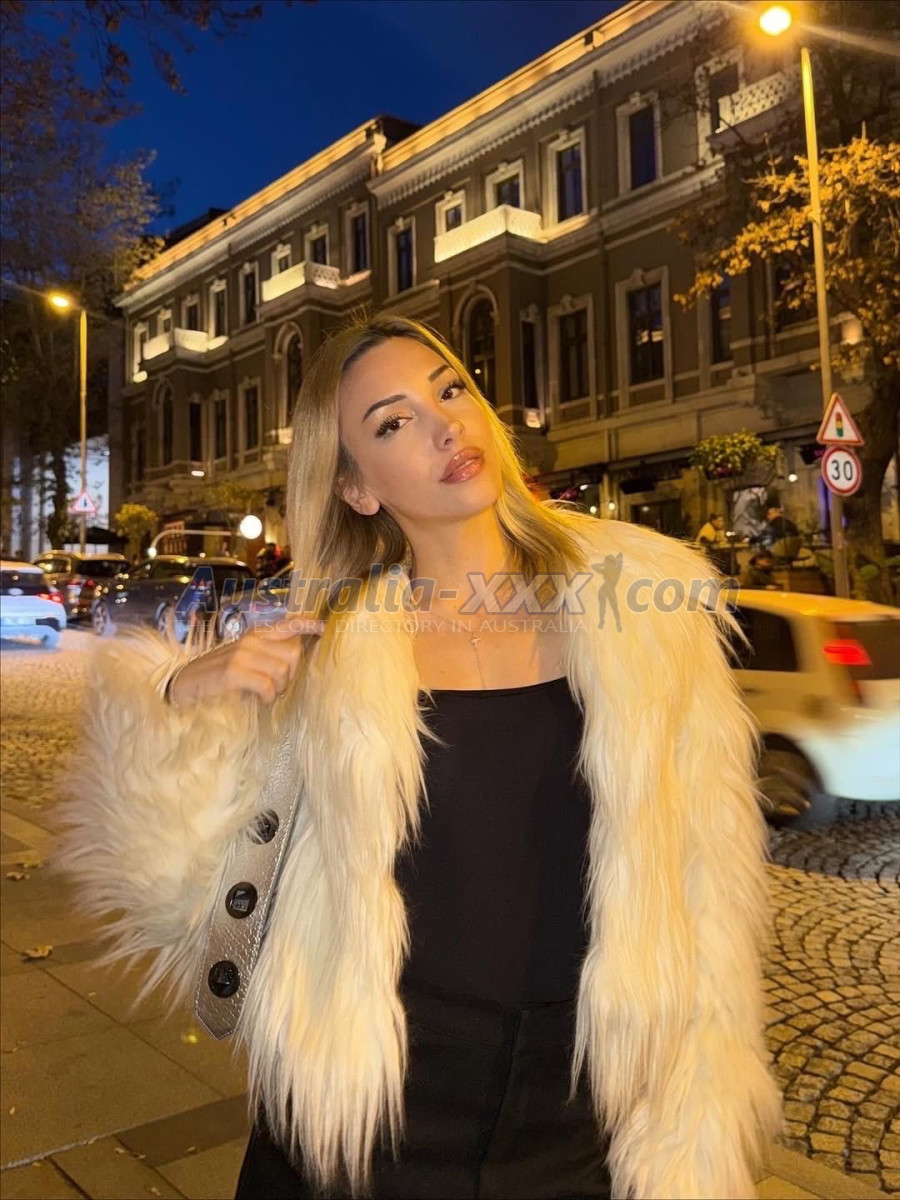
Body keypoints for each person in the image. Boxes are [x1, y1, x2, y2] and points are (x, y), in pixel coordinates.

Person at [56, 315, 780, 1200]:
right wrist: (173, 702)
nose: (445, 426)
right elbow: (175, 899)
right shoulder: (322, 661)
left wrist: (700, 1107)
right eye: (394, 422)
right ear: (356, 488)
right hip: (364, 1124)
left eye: (451, 390)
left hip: (590, 1119)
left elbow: (710, 884)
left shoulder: (650, 623)